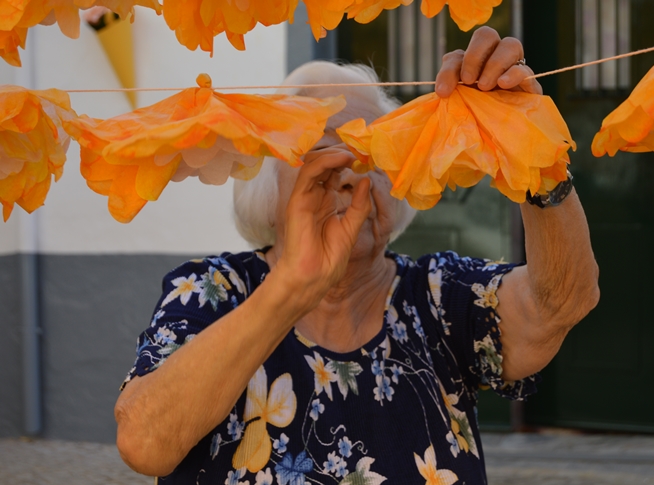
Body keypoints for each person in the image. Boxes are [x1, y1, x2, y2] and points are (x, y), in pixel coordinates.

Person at [114, 26, 600, 485]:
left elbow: (560, 304)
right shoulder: (212, 290)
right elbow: (144, 443)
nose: (351, 178)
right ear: (268, 190)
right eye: (323, 158)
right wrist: (293, 287)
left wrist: (536, 154)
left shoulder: (438, 295)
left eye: (372, 156)